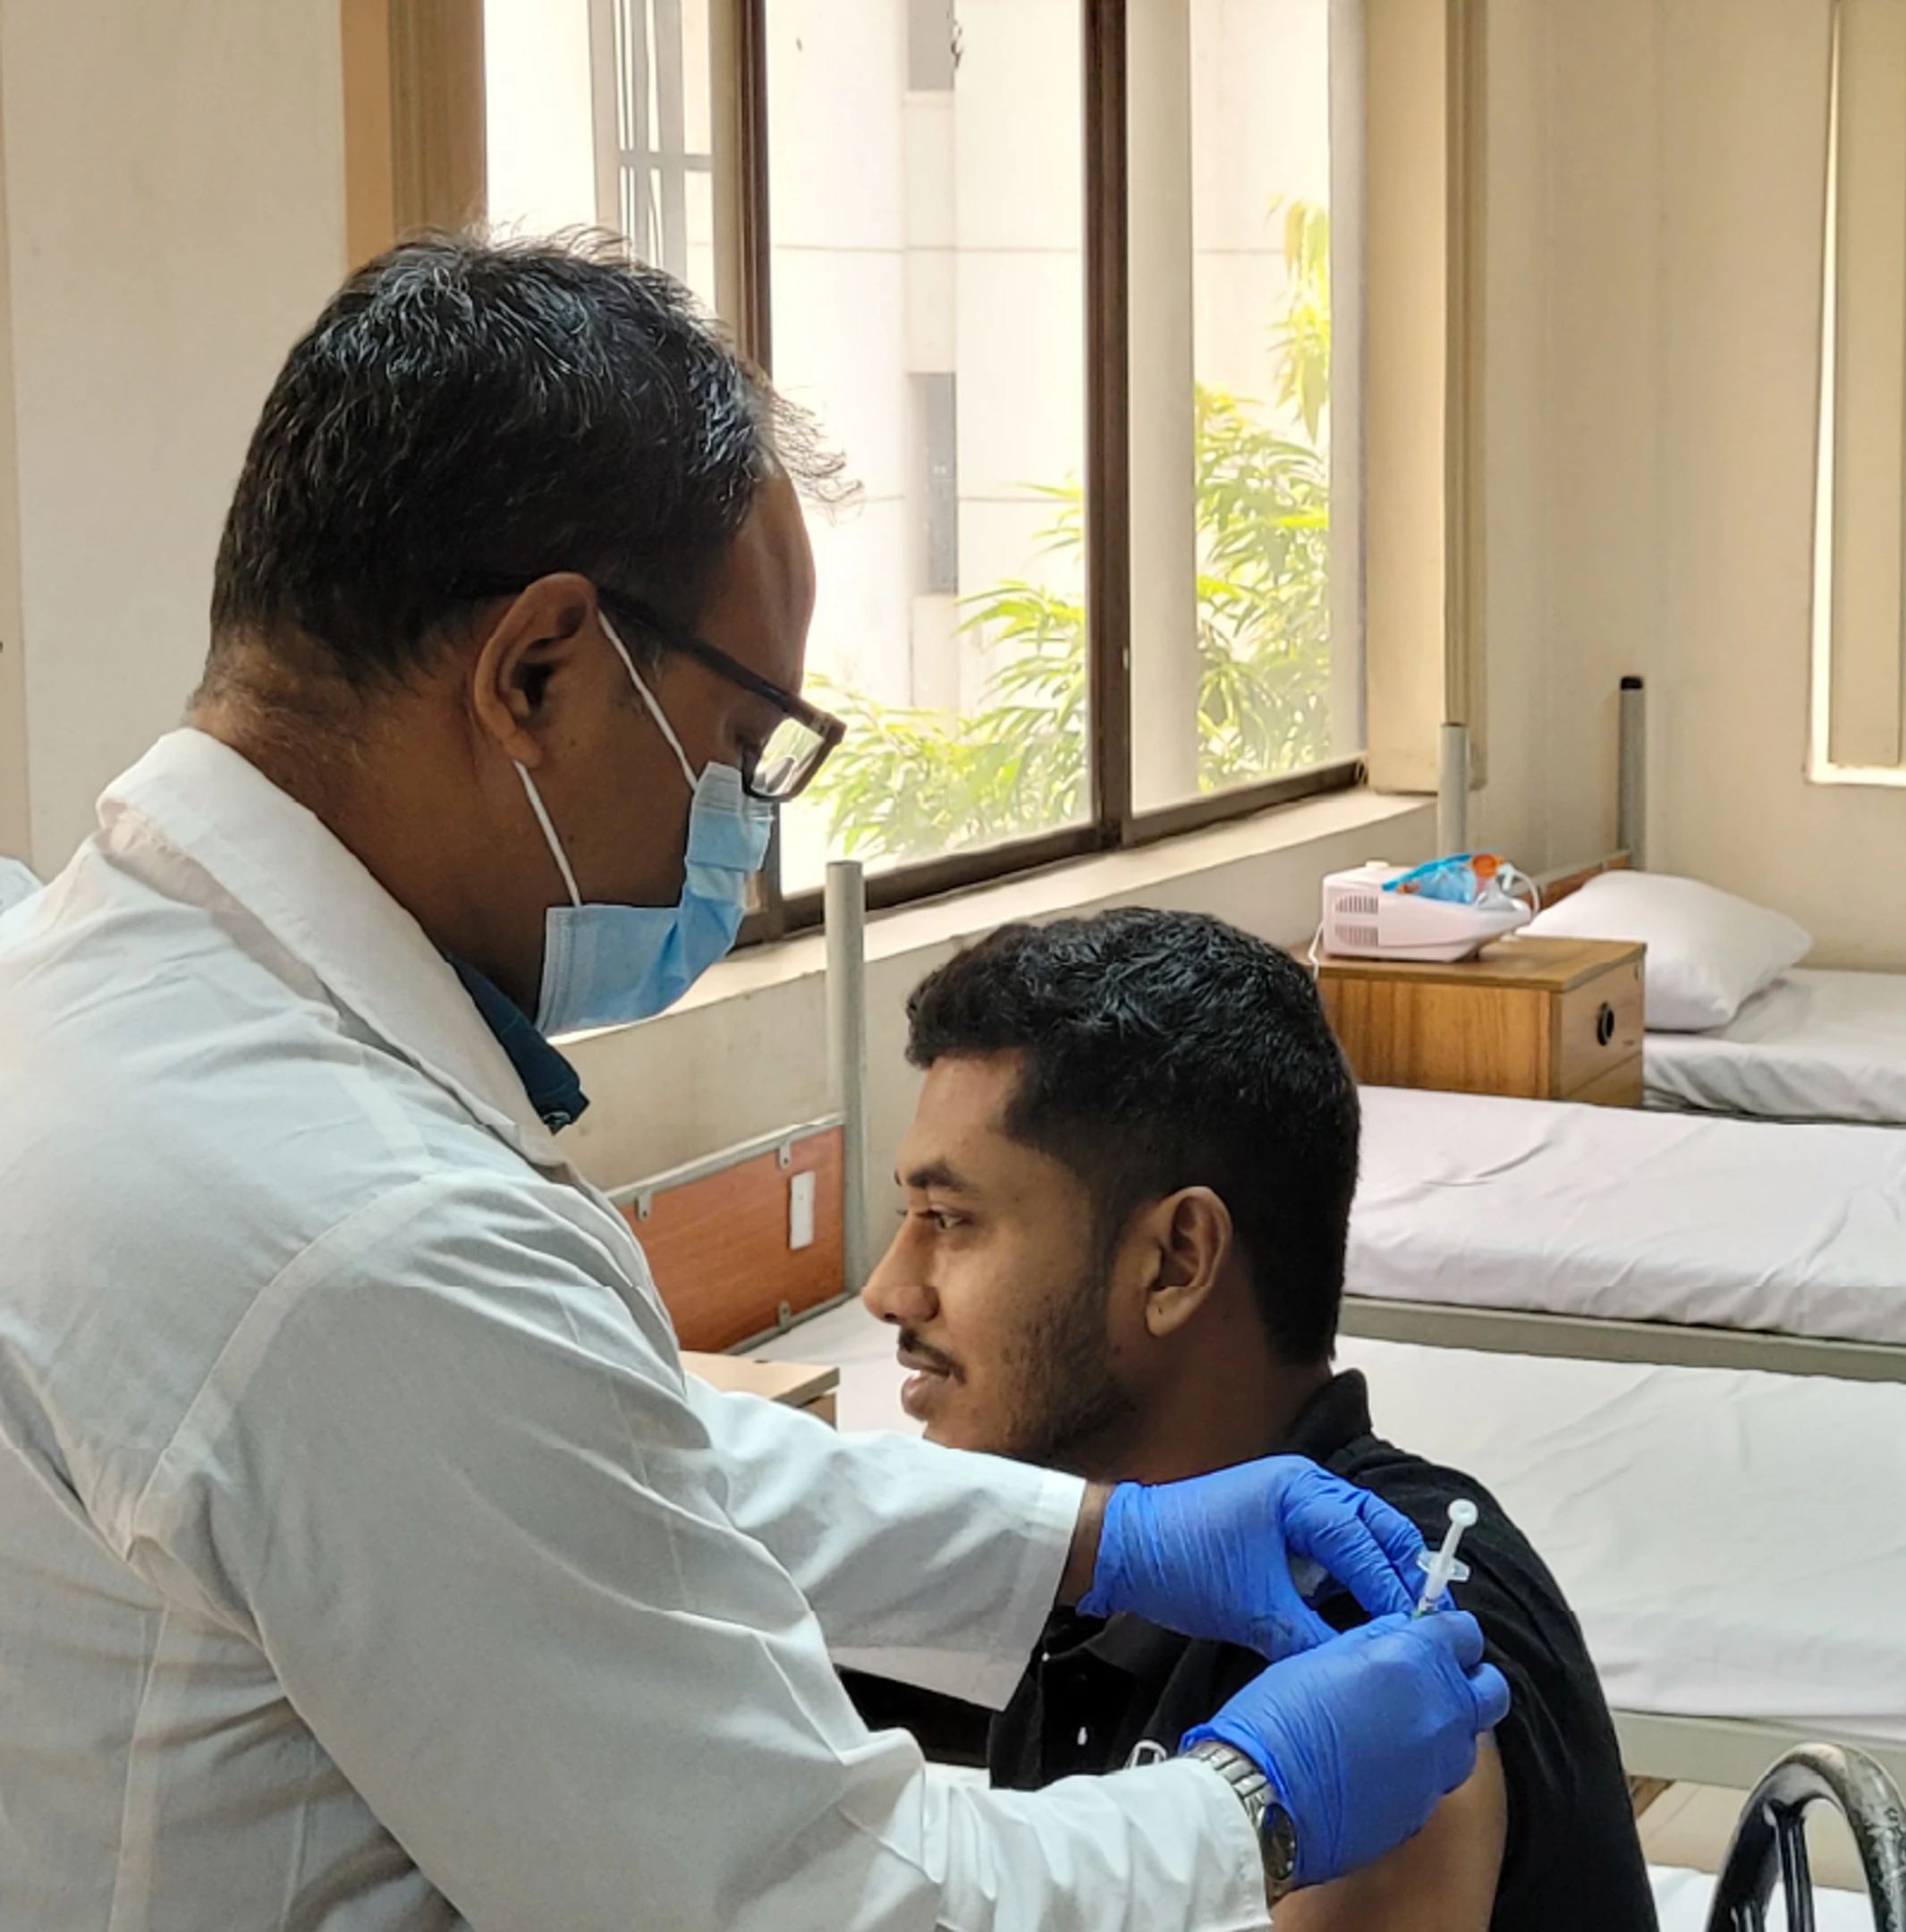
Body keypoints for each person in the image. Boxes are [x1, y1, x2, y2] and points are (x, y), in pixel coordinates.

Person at [0, 233, 1503, 1931]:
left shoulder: (83, 990)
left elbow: (592, 1481)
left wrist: (1089, 1540)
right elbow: (815, 1904)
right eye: (737, 749)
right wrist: (1255, 1804)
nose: (742, 832)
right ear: (539, 670)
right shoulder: (371, 1241)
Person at [856, 907, 1658, 1932]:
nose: (889, 1290)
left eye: (950, 1221)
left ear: (1176, 1261)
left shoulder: (1388, 1661)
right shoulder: (1080, 1568)